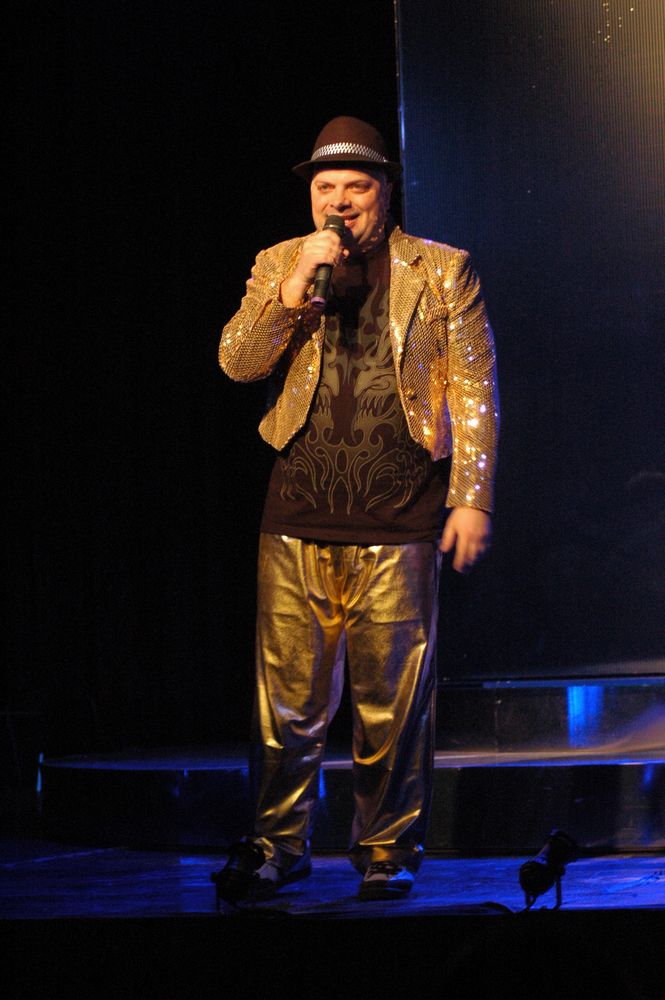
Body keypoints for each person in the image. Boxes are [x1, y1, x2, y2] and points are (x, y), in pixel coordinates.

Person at [214, 116, 499, 903]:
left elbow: (474, 390)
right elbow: (238, 363)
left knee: (392, 704)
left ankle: (385, 850)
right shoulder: (282, 261)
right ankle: (276, 845)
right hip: (297, 510)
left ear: (384, 192)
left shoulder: (440, 270)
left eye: (355, 186)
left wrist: (471, 496)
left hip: (399, 513)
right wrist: (291, 291)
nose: (338, 202)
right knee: (285, 705)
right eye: (325, 187)